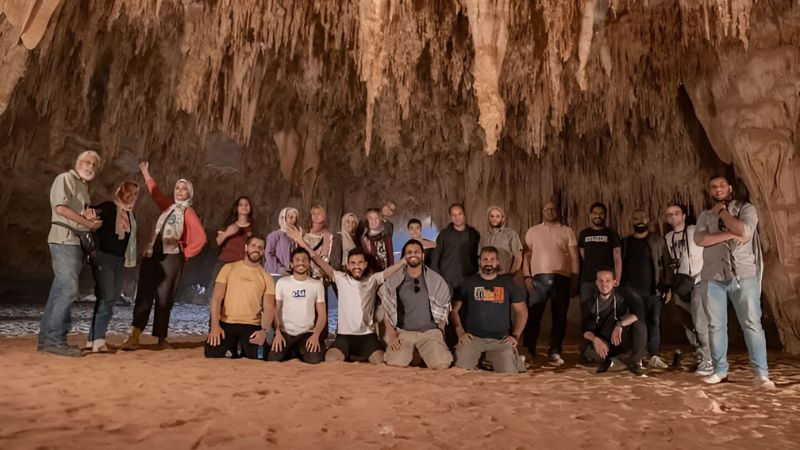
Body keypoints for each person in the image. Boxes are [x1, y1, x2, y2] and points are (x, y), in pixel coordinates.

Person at [695, 175, 774, 389]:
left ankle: (761, 374)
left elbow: (745, 232)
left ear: (730, 187)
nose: (718, 189)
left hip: (744, 274)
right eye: (713, 186)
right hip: (713, 276)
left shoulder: (747, 209)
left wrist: (721, 213)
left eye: (722, 185)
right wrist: (730, 234)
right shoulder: (704, 215)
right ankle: (720, 371)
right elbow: (700, 239)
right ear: (709, 191)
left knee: (751, 323)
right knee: (716, 325)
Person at [286, 226, 405, 364]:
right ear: (347, 265)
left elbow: (390, 271)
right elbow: (316, 258)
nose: (357, 266)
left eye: (360, 263)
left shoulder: (373, 279)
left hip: (367, 336)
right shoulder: (340, 278)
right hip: (344, 337)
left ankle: (359, 358)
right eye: (353, 263)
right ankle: (352, 358)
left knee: (380, 362)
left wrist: (403, 261)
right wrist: (301, 241)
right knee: (330, 359)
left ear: (365, 264)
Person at [122, 161, 207, 350]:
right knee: (144, 293)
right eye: (178, 187)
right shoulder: (168, 207)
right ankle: (134, 335)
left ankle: (161, 338)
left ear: (189, 194)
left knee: (164, 297)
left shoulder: (188, 212)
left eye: (184, 189)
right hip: (154, 253)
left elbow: (201, 238)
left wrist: (185, 253)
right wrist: (145, 172)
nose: (179, 191)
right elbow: (155, 192)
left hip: (172, 257)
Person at [38, 151, 103, 357]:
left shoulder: (83, 188)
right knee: (68, 288)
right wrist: (88, 224)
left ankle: (47, 340)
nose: (89, 166)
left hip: (74, 241)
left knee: (59, 290)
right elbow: (60, 208)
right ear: (77, 163)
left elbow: (75, 213)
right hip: (63, 238)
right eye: (86, 162)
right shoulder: (65, 178)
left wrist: (87, 217)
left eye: (94, 164)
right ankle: (55, 340)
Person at [451, 247, 528, 373]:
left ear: (498, 262)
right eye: (485, 259)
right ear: (480, 262)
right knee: (461, 370)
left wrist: (515, 336)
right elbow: (453, 310)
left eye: (492, 259)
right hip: (473, 339)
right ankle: (483, 359)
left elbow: (522, 312)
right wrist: (460, 332)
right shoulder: (469, 282)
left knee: (509, 373)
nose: (488, 262)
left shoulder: (508, 283)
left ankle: (490, 359)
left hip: (500, 340)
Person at [378, 240, 452, 369]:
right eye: (409, 252)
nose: (413, 255)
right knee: (395, 363)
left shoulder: (436, 281)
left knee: (442, 364)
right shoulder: (394, 281)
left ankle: (424, 354)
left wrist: (440, 333)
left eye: (417, 252)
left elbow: (443, 311)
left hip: (429, 333)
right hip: (404, 333)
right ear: (404, 257)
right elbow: (387, 311)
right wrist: (391, 334)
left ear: (422, 256)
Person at [522, 201, 579, 365]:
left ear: (558, 211)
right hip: (538, 279)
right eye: (546, 208)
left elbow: (574, 256)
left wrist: (574, 279)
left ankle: (555, 350)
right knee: (533, 315)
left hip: (561, 278)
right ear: (542, 211)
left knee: (559, 316)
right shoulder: (533, 231)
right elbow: (526, 256)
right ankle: (529, 349)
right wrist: (527, 276)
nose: (550, 211)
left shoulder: (567, 231)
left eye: (553, 208)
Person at [86, 180, 140, 353]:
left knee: (111, 296)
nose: (131, 196)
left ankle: (92, 339)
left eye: (135, 194)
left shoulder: (131, 216)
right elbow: (91, 211)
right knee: (107, 295)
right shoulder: (109, 207)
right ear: (120, 191)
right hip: (103, 257)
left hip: (119, 260)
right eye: (128, 192)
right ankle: (99, 340)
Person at [205, 236, 275, 359]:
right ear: (246, 247)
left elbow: (269, 307)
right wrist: (215, 326)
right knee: (212, 353)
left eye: (260, 247)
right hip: (227, 322)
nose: (256, 249)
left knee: (260, 355)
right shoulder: (228, 268)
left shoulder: (266, 277)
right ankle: (233, 346)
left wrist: (263, 331)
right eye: (253, 245)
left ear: (263, 251)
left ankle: (242, 347)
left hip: (251, 324)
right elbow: (216, 298)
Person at [664, 204, 711, 376]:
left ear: (684, 216)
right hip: (680, 284)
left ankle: (708, 360)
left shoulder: (694, 230)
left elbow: (708, 251)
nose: (673, 217)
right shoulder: (668, 237)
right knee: (687, 324)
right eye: (669, 214)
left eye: (676, 213)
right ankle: (701, 358)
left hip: (698, 280)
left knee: (700, 322)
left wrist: (701, 273)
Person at [620, 210, 670, 369]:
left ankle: (654, 355)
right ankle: (636, 354)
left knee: (654, 322)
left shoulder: (657, 240)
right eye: (636, 218)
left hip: (653, 290)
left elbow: (667, 264)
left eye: (643, 217)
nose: (639, 220)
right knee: (634, 323)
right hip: (631, 292)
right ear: (632, 221)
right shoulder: (625, 243)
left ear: (648, 219)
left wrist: (667, 286)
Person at [582, 268, 646, 375]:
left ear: (614, 282)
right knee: (587, 350)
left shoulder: (624, 294)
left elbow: (639, 313)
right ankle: (614, 360)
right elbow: (584, 329)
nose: (604, 284)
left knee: (640, 326)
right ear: (596, 283)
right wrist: (595, 339)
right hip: (604, 342)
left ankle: (635, 362)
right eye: (601, 281)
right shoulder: (590, 302)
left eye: (607, 280)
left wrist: (620, 324)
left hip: (620, 337)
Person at [269, 248, 327, 364]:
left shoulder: (316, 285)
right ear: (291, 264)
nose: (301, 262)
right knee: (273, 360)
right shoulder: (282, 282)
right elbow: (275, 310)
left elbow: (322, 314)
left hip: (306, 333)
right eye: (297, 260)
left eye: (304, 260)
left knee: (315, 360)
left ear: (309, 263)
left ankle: (298, 350)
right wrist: (277, 333)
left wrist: (316, 335)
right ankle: (293, 351)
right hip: (285, 333)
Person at [578, 202, 622, 312]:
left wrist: (617, 278)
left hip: (606, 280)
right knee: (586, 311)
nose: (598, 216)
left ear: (605, 215)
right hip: (588, 280)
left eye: (601, 213)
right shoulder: (584, 234)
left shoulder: (611, 234)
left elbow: (617, 257)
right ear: (590, 215)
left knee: (606, 311)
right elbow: (583, 255)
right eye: (595, 213)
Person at [430, 203, 480, 299]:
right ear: (450, 217)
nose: (457, 217)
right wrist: (438, 280)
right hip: (447, 281)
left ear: (464, 214)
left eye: (459, 214)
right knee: (448, 311)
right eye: (454, 215)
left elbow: (475, 256)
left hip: (467, 280)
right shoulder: (444, 234)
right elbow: (435, 257)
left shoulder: (473, 234)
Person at [213, 196, 255, 281]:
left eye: (246, 204)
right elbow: (216, 243)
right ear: (236, 208)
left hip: (241, 265)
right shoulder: (227, 225)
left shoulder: (254, 229)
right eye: (241, 205)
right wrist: (227, 233)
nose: (244, 207)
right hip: (224, 262)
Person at [478, 206, 523, 275]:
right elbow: (479, 257)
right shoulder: (484, 236)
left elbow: (518, 257)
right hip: (486, 277)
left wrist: (510, 275)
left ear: (503, 218)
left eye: (497, 216)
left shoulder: (511, 234)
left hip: (503, 275)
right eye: (492, 216)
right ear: (488, 218)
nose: (494, 219)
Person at [265, 207, 299, 279]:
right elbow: (269, 254)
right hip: (275, 273)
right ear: (283, 218)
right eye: (291, 217)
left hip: (291, 274)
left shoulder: (297, 237)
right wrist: (280, 269)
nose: (294, 220)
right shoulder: (275, 235)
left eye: (296, 218)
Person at [303, 204, 333, 279]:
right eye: (314, 214)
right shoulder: (304, 235)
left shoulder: (328, 236)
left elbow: (327, 255)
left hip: (320, 273)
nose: (316, 216)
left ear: (324, 216)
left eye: (319, 213)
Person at [361, 207, 394, 272]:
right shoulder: (363, 237)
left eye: (376, 218)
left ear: (380, 219)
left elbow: (390, 256)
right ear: (367, 220)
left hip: (384, 271)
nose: (374, 221)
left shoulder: (386, 236)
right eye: (371, 219)